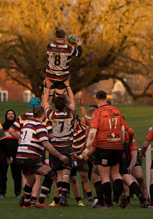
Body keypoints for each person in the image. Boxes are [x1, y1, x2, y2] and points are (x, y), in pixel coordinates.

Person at [81, 91, 132, 209]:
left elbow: (93, 131)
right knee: (116, 173)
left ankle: (108, 203)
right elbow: (123, 128)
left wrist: (87, 148)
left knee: (104, 176)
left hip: (105, 147)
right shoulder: (117, 111)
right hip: (118, 146)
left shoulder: (97, 113)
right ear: (107, 98)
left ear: (96, 100)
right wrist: (121, 143)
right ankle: (122, 192)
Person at [16, 106, 69, 209]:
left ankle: (26, 204)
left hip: (20, 156)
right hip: (31, 156)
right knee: (51, 174)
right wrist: (60, 156)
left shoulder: (26, 125)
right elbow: (46, 144)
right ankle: (40, 202)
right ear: (43, 115)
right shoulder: (40, 126)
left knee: (31, 180)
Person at [43, 77, 76, 206]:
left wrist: (48, 87)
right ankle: (63, 196)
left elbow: (45, 102)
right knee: (67, 171)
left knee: (59, 173)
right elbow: (73, 101)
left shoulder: (51, 115)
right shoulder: (70, 115)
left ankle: (61, 195)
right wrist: (68, 85)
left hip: (55, 147)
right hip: (67, 146)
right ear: (65, 105)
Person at [45, 29, 82, 100]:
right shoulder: (70, 49)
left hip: (50, 76)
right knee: (59, 100)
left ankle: (46, 110)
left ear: (55, 37)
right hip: (62, 78)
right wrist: (79, 45)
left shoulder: (49, 47)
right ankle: (59, 111)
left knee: (47, 100)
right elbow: (79, 54)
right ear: (64, 38)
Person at [0, 110, 22, 199]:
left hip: (16, 154)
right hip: (3, 154)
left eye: (12, 114)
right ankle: (2, 193)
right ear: (6, 115)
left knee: (17, 175)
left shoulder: (19, 127)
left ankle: (17, 193)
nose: (11, 115)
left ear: (14, 115)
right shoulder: (1, 126)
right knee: (2, 175)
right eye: (9, 114)